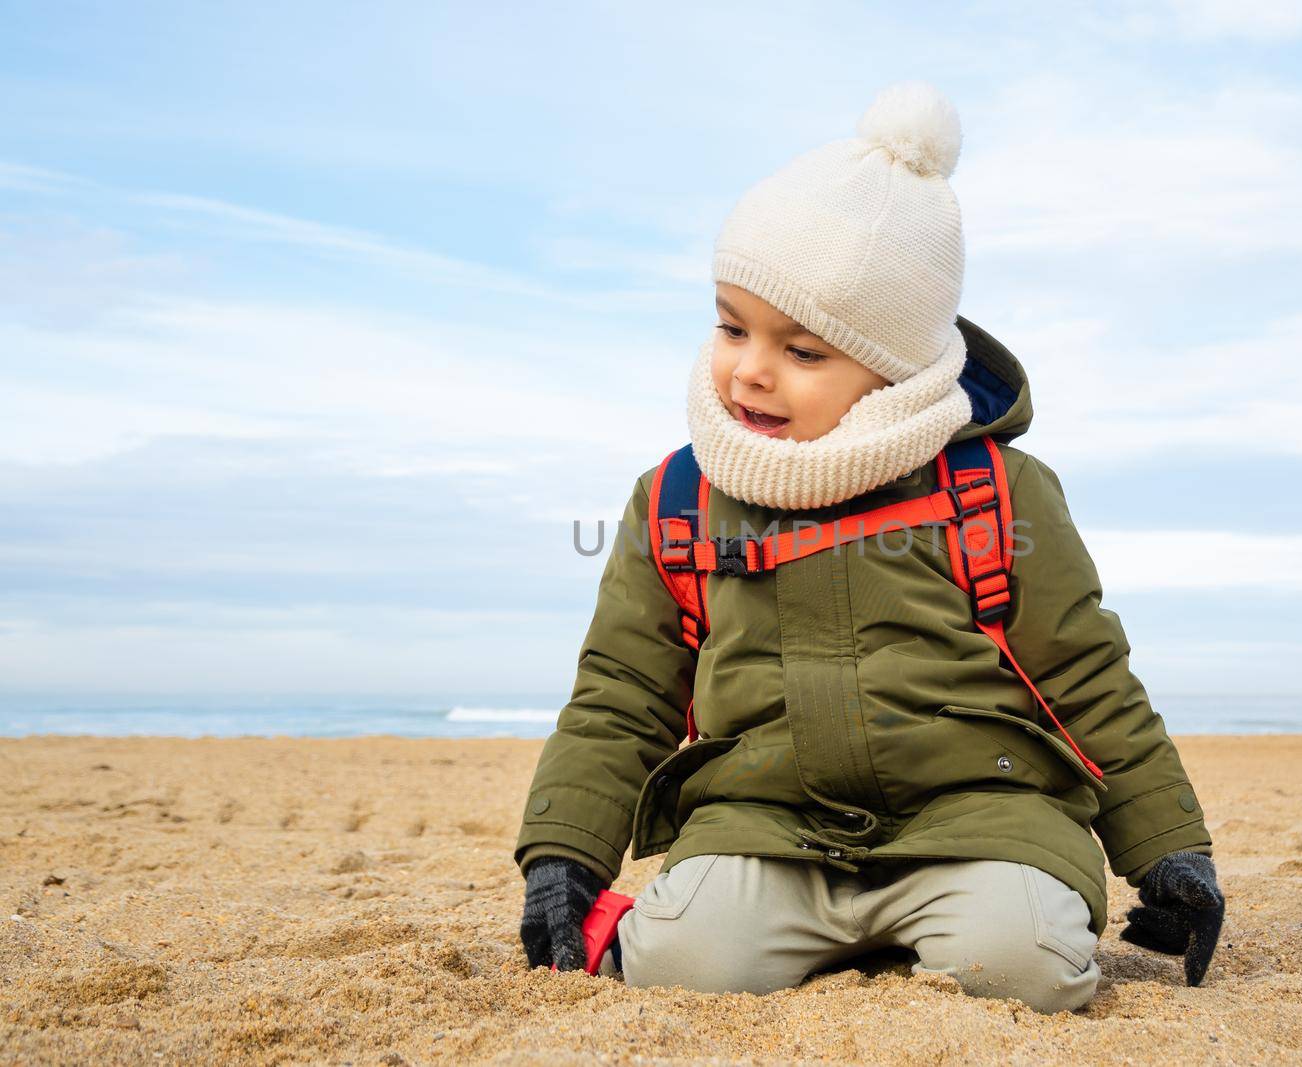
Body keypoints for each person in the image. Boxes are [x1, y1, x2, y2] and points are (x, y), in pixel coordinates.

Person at [514, 81, 1223, 1015]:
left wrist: (1167, 848)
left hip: (984, 817)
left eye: (803, 351)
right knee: (680, 960)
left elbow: (1087, 674)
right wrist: (565, 852)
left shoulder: (997, 491)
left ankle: (956, 924)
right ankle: (781, 931)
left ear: (893, 367)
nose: (751, 370)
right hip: (761, 820)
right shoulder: (677, 499)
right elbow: (624, 691)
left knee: (1024, 964)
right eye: (731, 326)